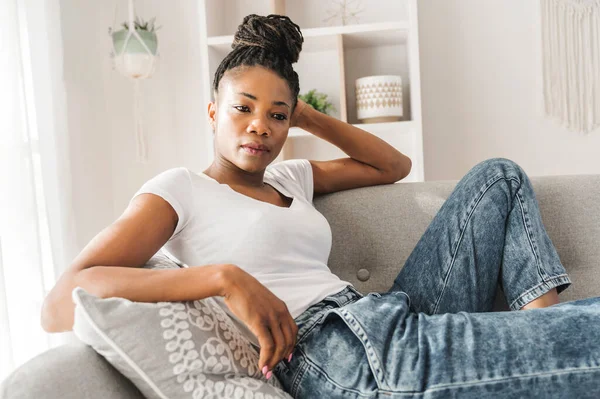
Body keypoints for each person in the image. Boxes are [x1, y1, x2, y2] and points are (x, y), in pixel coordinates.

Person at [41, 13, 600, 398]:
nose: (259, 124)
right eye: (243, 108)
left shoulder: (291, 177)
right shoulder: (180, 187)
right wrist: (222, 277)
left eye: (276, 115)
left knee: (495, 178)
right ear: (213, 112)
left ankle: (534, 340)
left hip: (383, 315)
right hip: (330, 355)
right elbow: (63, 301)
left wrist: (303, 111)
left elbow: (392, 167)